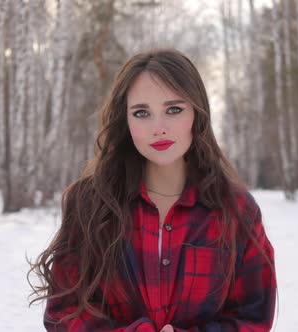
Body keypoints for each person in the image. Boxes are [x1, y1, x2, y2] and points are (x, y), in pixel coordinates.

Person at [29, 48, 277, 332]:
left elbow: (253, 319)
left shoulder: (237, 210)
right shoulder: (90, 202)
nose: (158, 128)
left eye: (173, 109)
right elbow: (65, 312)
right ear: (126, 120)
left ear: (197, 113)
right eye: (142, 113)